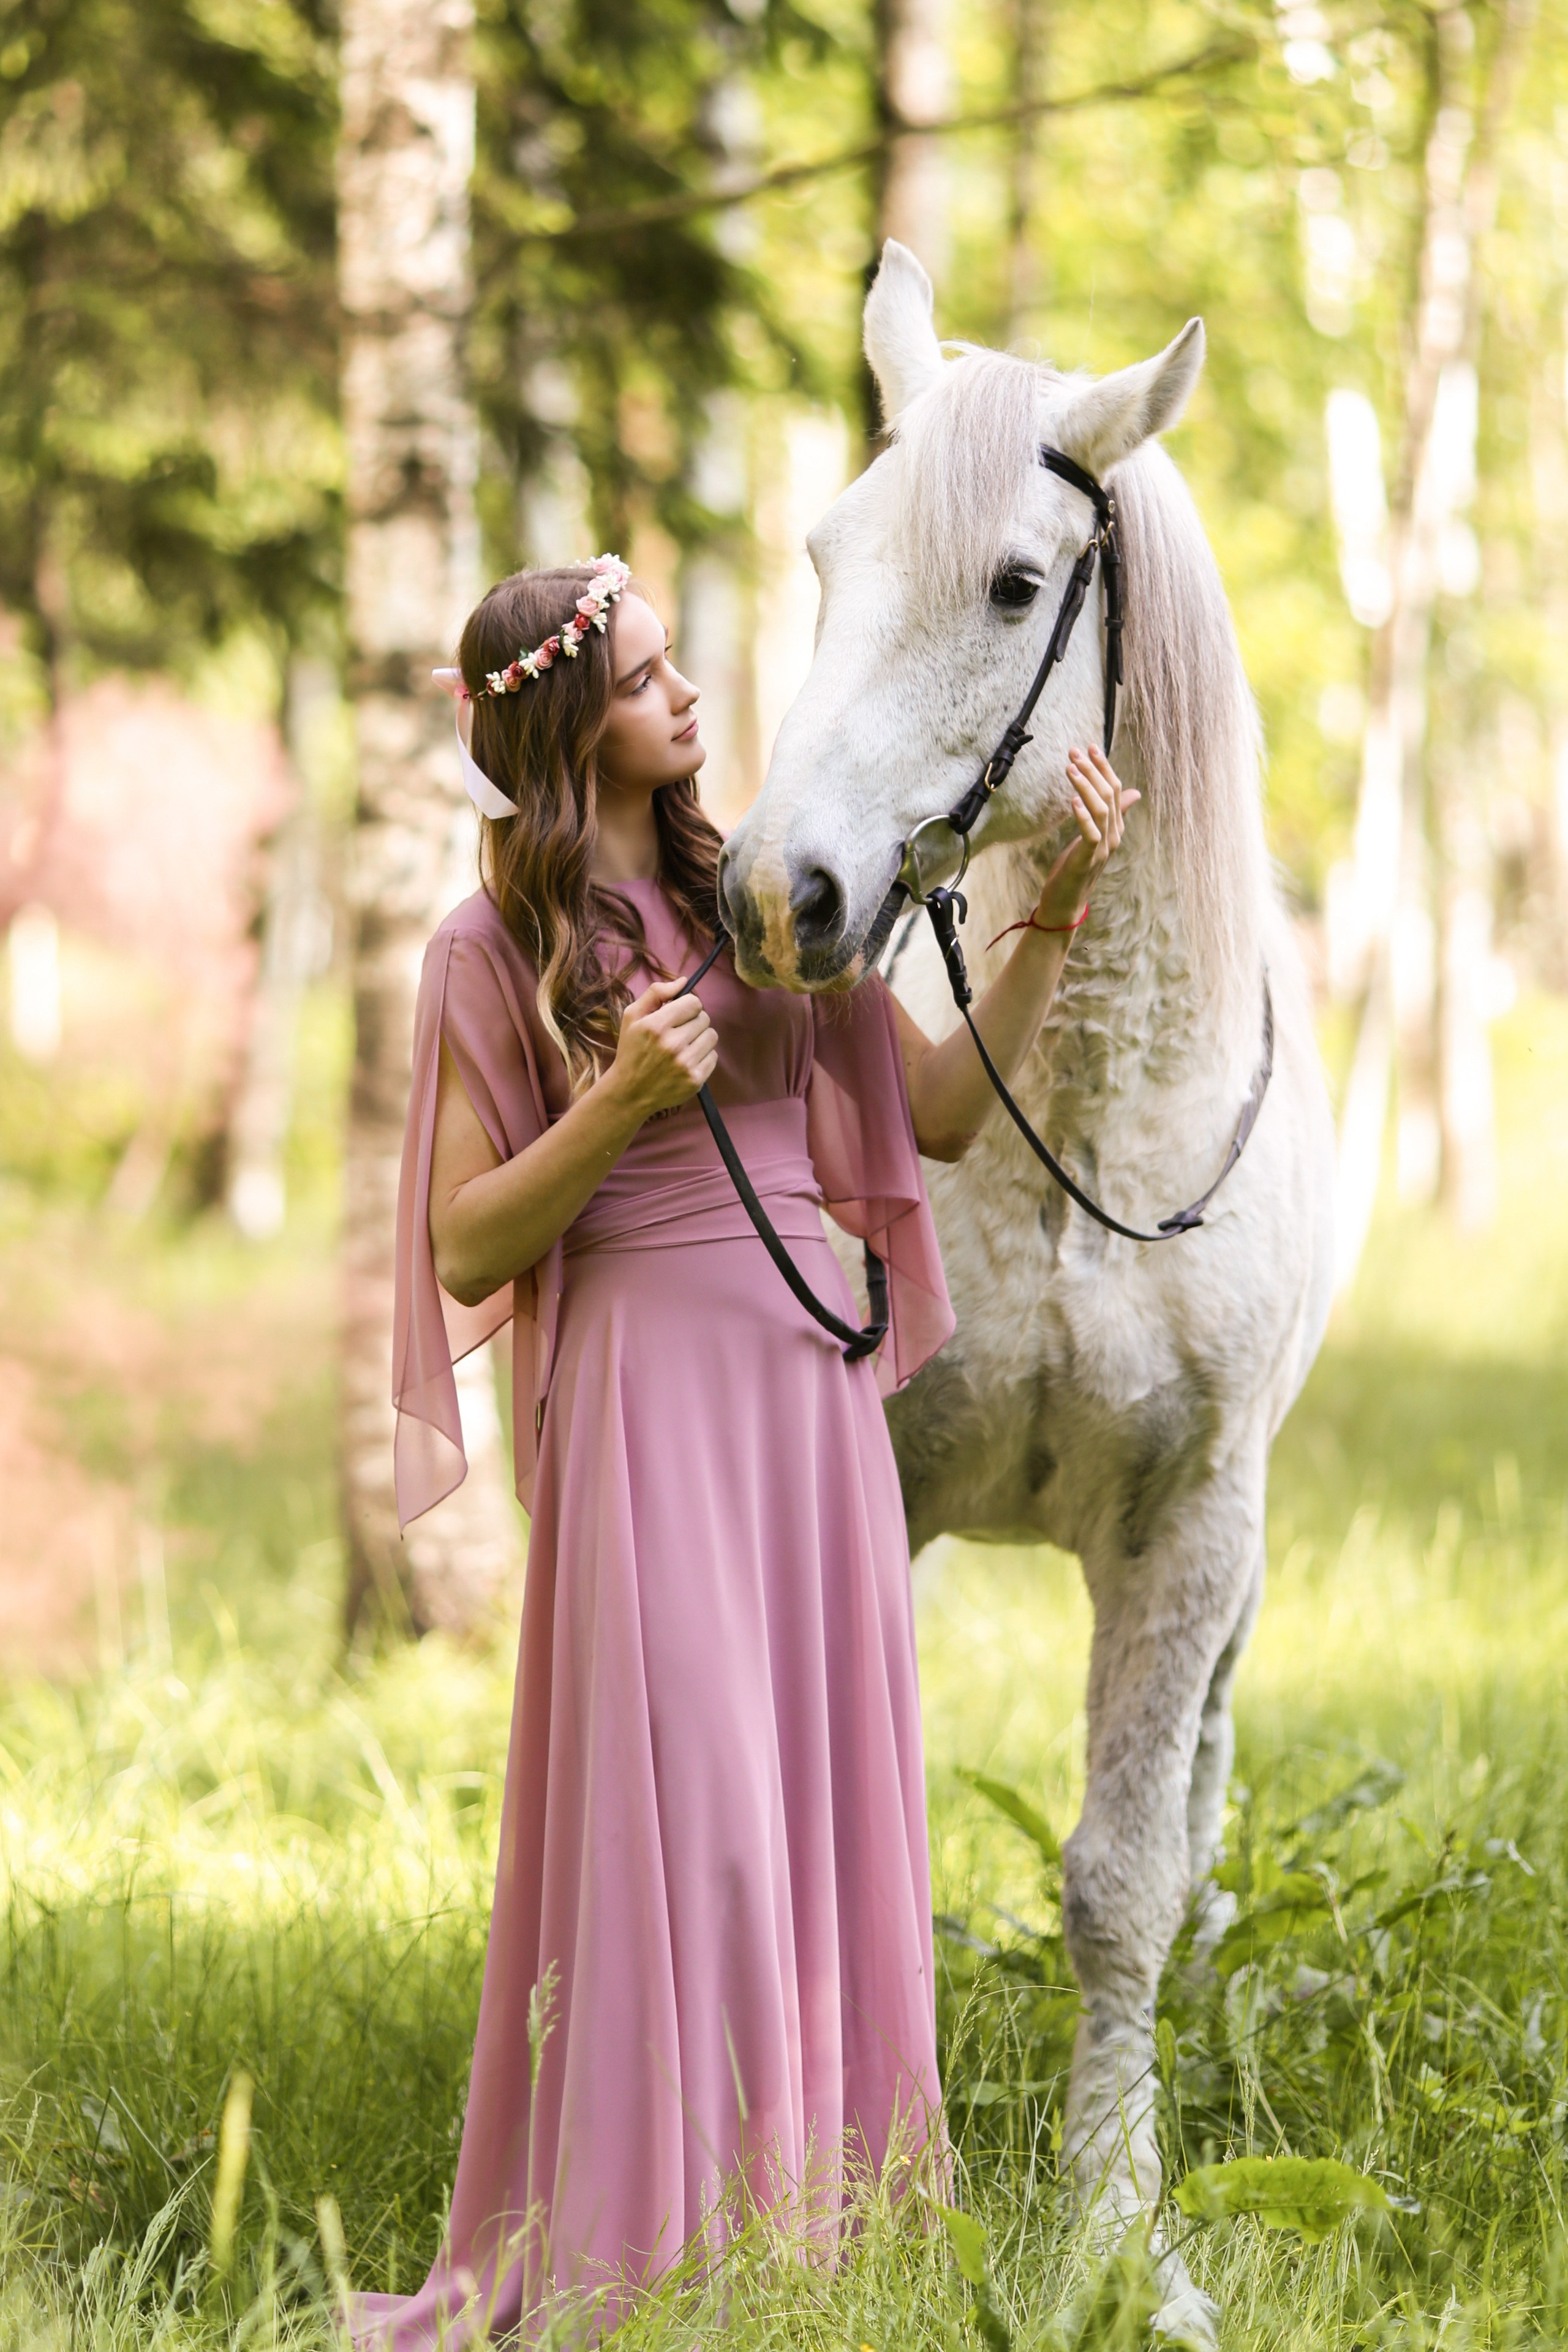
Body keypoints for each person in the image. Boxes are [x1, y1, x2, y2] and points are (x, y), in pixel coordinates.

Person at [357, 556, 1137, 2348]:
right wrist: (622, 1097)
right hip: (651, 1404)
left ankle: (824, 2224)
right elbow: (467, 1246)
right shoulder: (492, 951)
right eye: (644, 679)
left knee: (825, 1794)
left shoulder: (765, 890)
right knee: (695, 1804)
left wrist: (1055, 915)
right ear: (572, 728)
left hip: (809, 1402)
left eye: (675, 664)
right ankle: (657, 2231)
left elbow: (935, 1118)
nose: (689, 699)